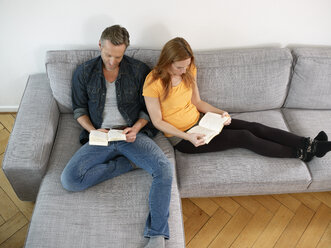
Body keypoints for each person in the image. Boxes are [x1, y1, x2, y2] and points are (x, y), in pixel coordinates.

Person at [61, 25, 171, 248]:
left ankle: (157, 235)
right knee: (69, 180)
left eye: (118, 56)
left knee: (164, 170)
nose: (112, 61)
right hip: (101, 136)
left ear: (126, 50)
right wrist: (92, 130)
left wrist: (137, 128)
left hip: (130, 134)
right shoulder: (83, 72)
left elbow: (147, 108)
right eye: (108, 54)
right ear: (100, 45)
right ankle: (127, 164)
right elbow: (79, 109)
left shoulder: (140, 70)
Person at [143, 37, 331, 162]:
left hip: (203, 121)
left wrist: (221, 113)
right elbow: (157, 121)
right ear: (167, 61)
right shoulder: (153, 82)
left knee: (254, 127)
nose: (184, 71)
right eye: (179, 67)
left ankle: (309, 144)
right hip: (183, 138)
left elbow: (198, 103)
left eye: (187, 66)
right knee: (244, 137)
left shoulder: (189, 70)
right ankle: (300, 154)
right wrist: (188, 136)